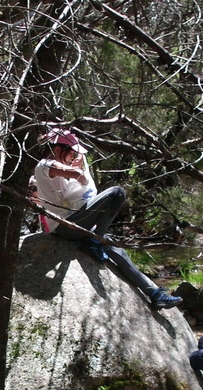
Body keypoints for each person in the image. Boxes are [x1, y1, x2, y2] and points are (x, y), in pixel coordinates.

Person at [34, 128, 182, 310]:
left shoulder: (58, 166)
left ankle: (154, 293)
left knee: (118, 252)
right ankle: (95, 241)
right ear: (57, 150)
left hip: (77, 222)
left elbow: (79, 188)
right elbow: (79, 177)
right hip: (64, 226)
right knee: (116, 193)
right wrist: (78, 167)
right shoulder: (44, 165)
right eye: (71, 151)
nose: (73, 155)